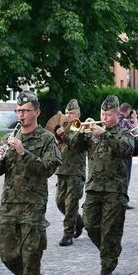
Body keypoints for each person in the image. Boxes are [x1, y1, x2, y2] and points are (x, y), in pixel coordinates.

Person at [0, 91, 61, 275]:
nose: (21, 115)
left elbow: (48, 168)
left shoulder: (47, 139)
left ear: (37, 112)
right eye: (18, 111)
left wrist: (24, 152)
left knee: (30, 256)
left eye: (26, 110)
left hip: (33, 206)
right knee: (6, 253)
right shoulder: (10, 137)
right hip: (9, 205)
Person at [68, 95, 135, 275]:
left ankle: (106, 269)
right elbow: (74, 146)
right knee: (90, 224)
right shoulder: (92, 132)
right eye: (102, 114)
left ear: (117, 114)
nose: (104, 118)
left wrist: (103, 134)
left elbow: (126, 149)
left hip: (115, 190)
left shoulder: (124, 131)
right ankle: (111, 251)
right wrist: (82, 131)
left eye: (108, 114)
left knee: (110, 231)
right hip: (94, 188)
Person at [54, 99, 86, 246]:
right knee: (60, 202)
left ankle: (68, 234)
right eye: (66, 112)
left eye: (71, 113)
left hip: (75, 172)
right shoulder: (63, 126)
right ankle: (78, 221)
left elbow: (76, 144)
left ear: (77, 114)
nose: (68, 115)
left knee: (71, 203)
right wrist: (57, 136)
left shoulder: (81, 128)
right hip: (62, 170)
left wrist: (63, 135)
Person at [118, 103, 138, 210]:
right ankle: (123, 202)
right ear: (128, 111)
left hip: (116, 155)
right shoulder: (126, 121)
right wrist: (135, 119)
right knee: (126, 178)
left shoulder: (116, 120)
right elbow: (137, 133)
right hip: (126, 154)